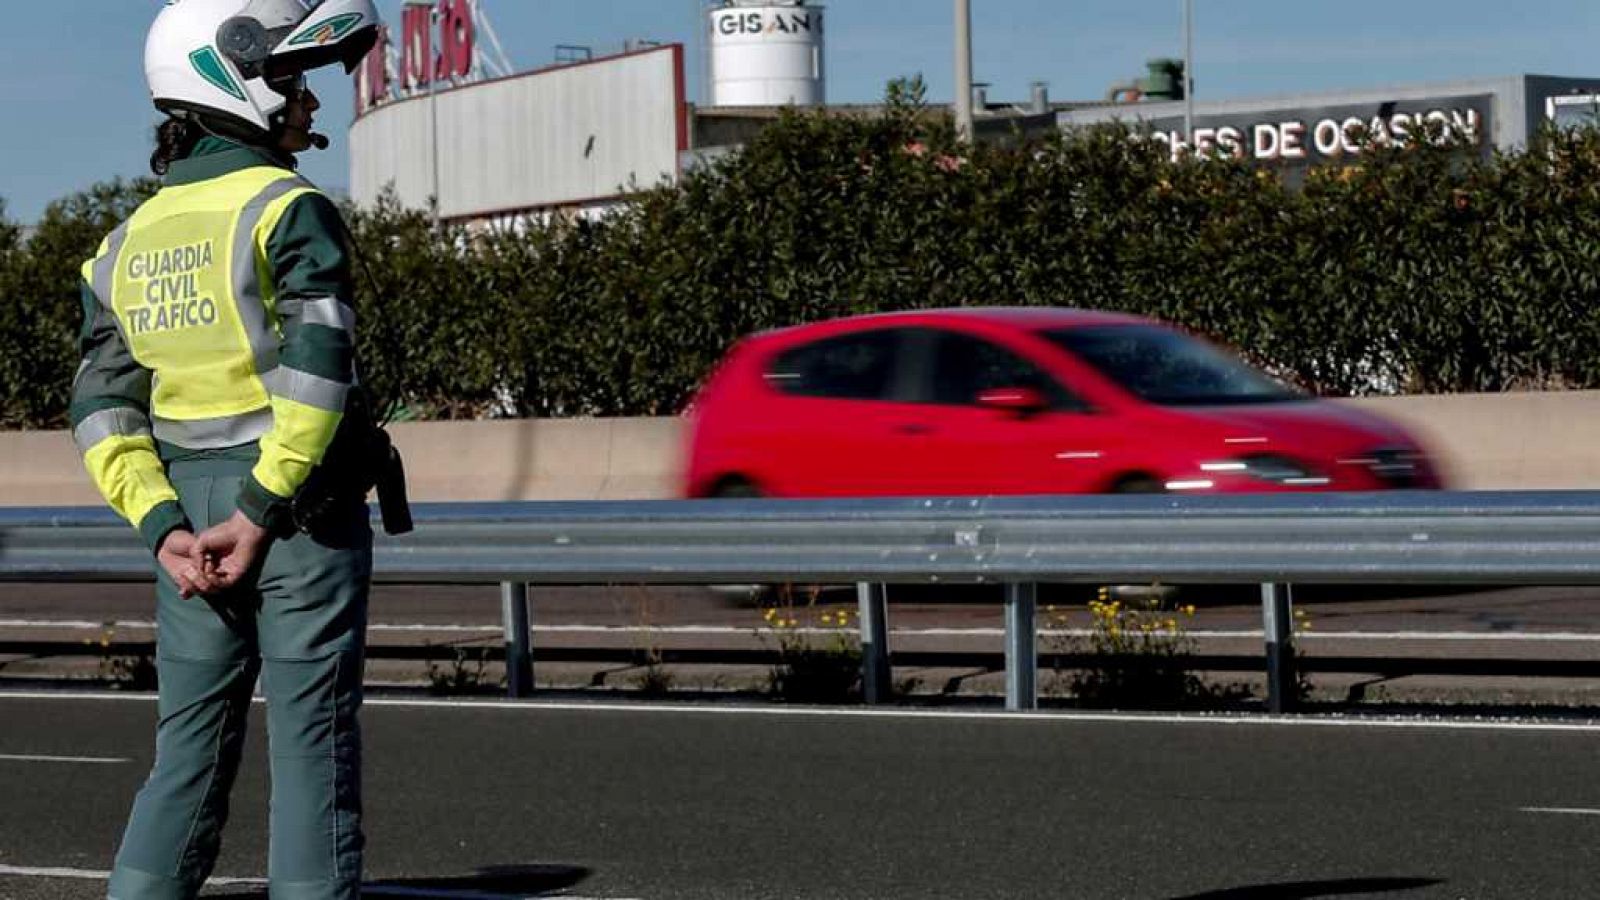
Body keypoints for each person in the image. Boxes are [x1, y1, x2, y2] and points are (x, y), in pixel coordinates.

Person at [69, 2, 383, 898]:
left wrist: (161, 524)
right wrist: (261, 507)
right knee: (313, 749)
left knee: (186, 751)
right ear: (239, 77)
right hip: (294, 517)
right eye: (294, 80)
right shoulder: (288, 207)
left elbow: (99, 406)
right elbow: (320, 368)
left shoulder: (121, 244)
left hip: (186, 521)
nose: (310, 105)